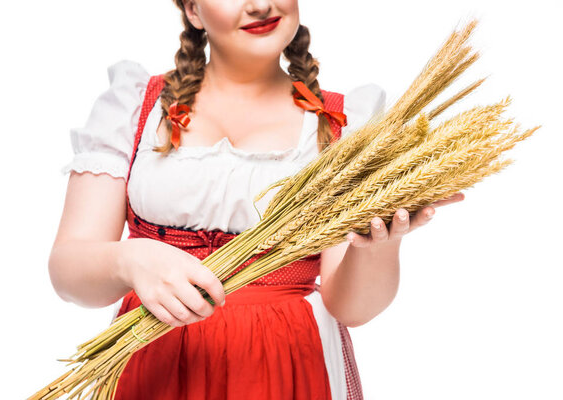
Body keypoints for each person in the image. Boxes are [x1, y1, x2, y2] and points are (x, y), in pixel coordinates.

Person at [51, 0, 465, 399]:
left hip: (286, 364)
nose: (260, 4)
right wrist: (130, 259)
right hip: (153, 359)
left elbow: (351, 308)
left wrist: (381, 241)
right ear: (192, 9)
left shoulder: (344, 126)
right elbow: (68, 271)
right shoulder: (136, 107)